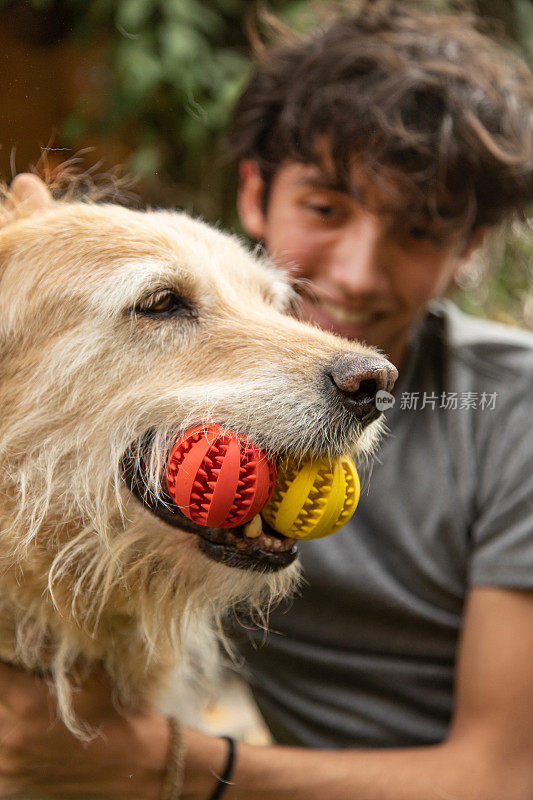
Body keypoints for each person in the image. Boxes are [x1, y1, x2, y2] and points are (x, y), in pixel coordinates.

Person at [0, 2, 532, 799]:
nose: (354, 274)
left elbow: (503, 778)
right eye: (324, 209)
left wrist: (160, 764)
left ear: (466, 252)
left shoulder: (509, 408)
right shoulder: (201, 432)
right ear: (256, 192)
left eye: (418, 230)